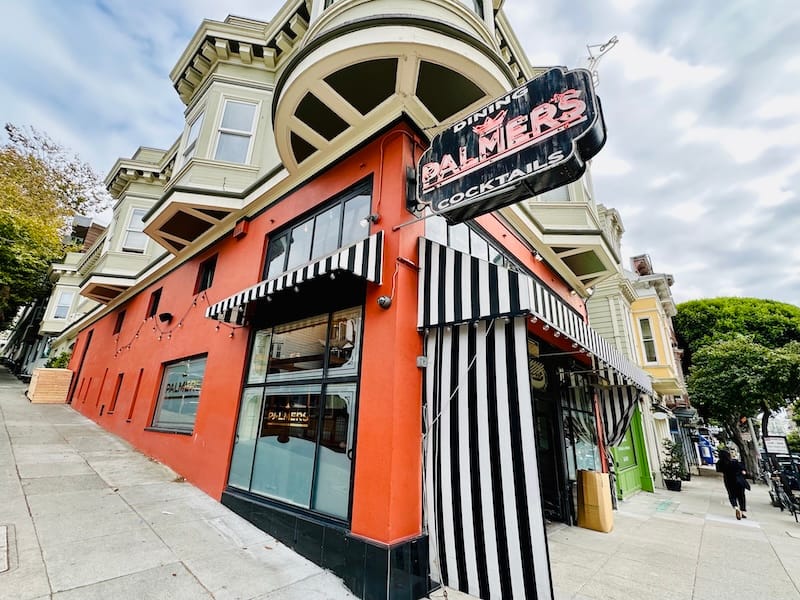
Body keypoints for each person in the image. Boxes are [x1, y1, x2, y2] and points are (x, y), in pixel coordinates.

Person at [718, 449, 749, 519]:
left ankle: (736, 507)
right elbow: (743, 470)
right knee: (741, 496)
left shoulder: (720, 463)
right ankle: (742, 511)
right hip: (738, 481)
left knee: (732, 495)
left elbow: (719, 470)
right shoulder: (735, 462)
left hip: (728, 481)